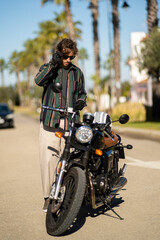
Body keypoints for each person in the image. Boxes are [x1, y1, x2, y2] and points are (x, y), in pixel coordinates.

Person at [34, 38, 87, 212]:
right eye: (65, 56)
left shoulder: (77, 73)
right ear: (59, 53)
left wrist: (80, 102)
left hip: (70, 122)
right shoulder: (48, 69)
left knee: (69, 160)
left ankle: (66, 196)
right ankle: (48, 198)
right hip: (50, 120)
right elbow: (39, 81)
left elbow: (82, 93)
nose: (68, 60)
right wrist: (53, 63)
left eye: (71, 57)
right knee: (49, 160)